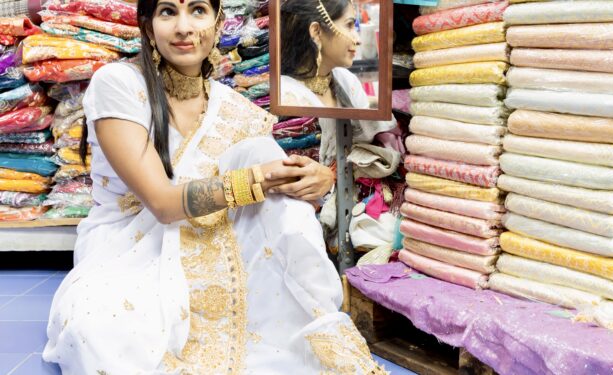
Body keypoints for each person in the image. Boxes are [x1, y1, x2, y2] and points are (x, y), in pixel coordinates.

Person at [42, 0, 385, 373]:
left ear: (219, 23)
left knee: (260, 154)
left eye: (198, 11)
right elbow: (161, 203)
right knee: (98, 330)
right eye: (168, 12)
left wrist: (315, 178)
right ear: (147, 25)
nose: (184, 27)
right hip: (129, 244)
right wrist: (262, 177)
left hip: (215, 238)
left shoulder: (234, 108)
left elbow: (271, 191)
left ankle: (320, 320)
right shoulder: (119, 84)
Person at [279, 0, 397, 166]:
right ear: (316, 31)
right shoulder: (287, 94)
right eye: (349, 25)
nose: (357, 39)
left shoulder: (346, 80)